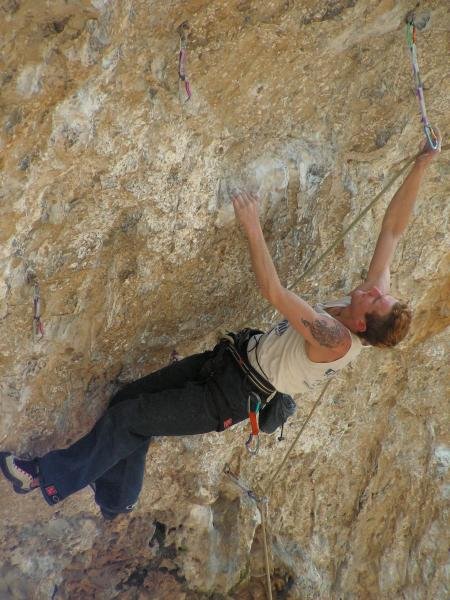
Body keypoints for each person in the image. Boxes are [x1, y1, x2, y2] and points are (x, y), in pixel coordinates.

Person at [0, 137, 440, 519]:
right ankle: (117, 499)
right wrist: (422, 165)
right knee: (128, 402)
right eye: (383, 293)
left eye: (378, 298)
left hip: (230, 397)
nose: (378, 289)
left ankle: (44, 477)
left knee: (129, 419)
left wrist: (252, 226)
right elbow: (393, 231)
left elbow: (274, 291)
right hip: (229, 362)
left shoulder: (336, 338)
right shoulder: (364, 308)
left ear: (363, 322)